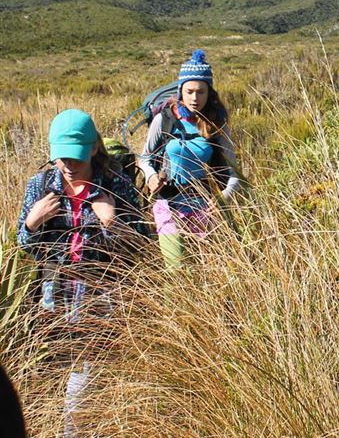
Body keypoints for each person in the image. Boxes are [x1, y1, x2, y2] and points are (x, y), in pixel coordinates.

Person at [17, 109, 147, 436]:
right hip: (52, 301)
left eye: (75, 157)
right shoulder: (40, 185)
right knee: (53, 376)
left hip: (98, 300)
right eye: (60, 157)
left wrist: (111, 223)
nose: (67, 165)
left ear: (93, 149)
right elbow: (26, 246)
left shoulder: (116, 185)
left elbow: (140, 247)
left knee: (83, 379)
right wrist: (32, 223)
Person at [139, 49, 241, 268]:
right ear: (180, 91)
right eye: (190, 91)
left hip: (204, 205)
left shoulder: (217, 124)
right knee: (176, 268)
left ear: (210, 93)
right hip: (167, 202)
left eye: (201, 92)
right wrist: (151, 177)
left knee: (206, 269)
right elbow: (145, 158)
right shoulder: (163, 120)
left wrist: (223, 197)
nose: (195, 98)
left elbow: (234, 173)